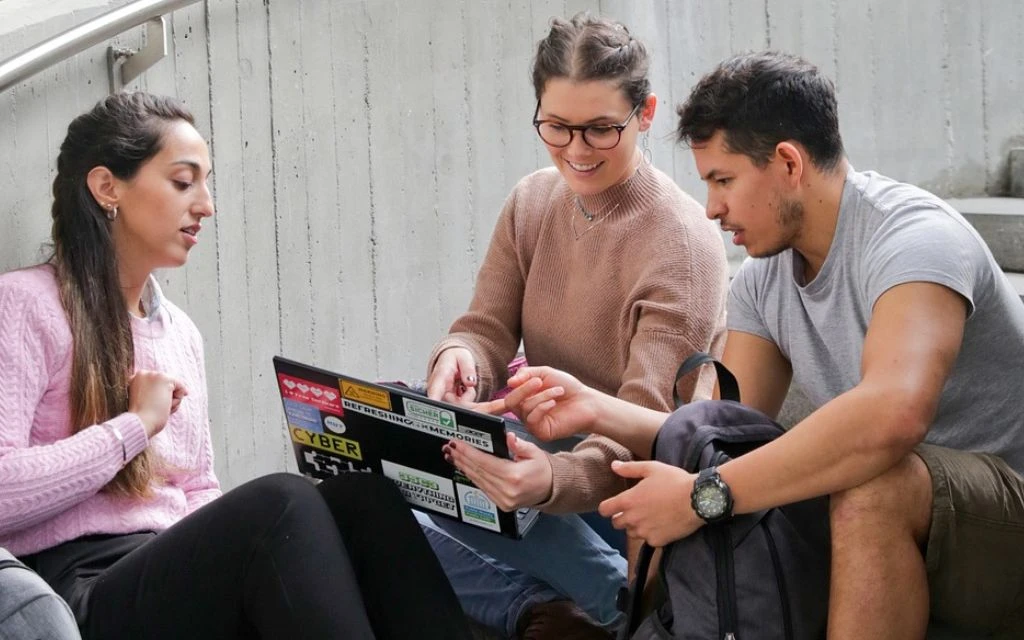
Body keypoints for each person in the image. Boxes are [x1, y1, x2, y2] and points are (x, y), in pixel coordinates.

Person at [463, 50, 1024, 639]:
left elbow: (893, 416)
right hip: (900, 520)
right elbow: (721, 434)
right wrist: (596, 409)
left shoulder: (914, 240)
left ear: (787, 163)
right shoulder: (764, 280)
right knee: (682, 458)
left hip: (1001, 522)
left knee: (874, 483)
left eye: (723, 180)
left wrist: (705, 496)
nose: (712, 208)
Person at [0, 91, 472, 640]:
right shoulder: (25, 304)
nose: (206, 205)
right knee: (280, 502)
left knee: (363, 499)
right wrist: (133, 428)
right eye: (183, 182)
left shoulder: (179, 332)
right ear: (108, 187)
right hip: (78, 588)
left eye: (206, 183)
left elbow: (199, 489)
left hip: (168, 570)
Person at [419, 13, 729, 640]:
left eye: (600, 130)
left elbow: (647, 429)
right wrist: (461, 359)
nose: (577, 151)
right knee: (390, 454)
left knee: (459, 480)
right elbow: (484, 327)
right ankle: (541, 610)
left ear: (645, 113)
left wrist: (550, 481)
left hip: (630, 489)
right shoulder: (533, 201)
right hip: (545, 452)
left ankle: (625, 603)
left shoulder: (682, 245)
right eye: (557, 127)